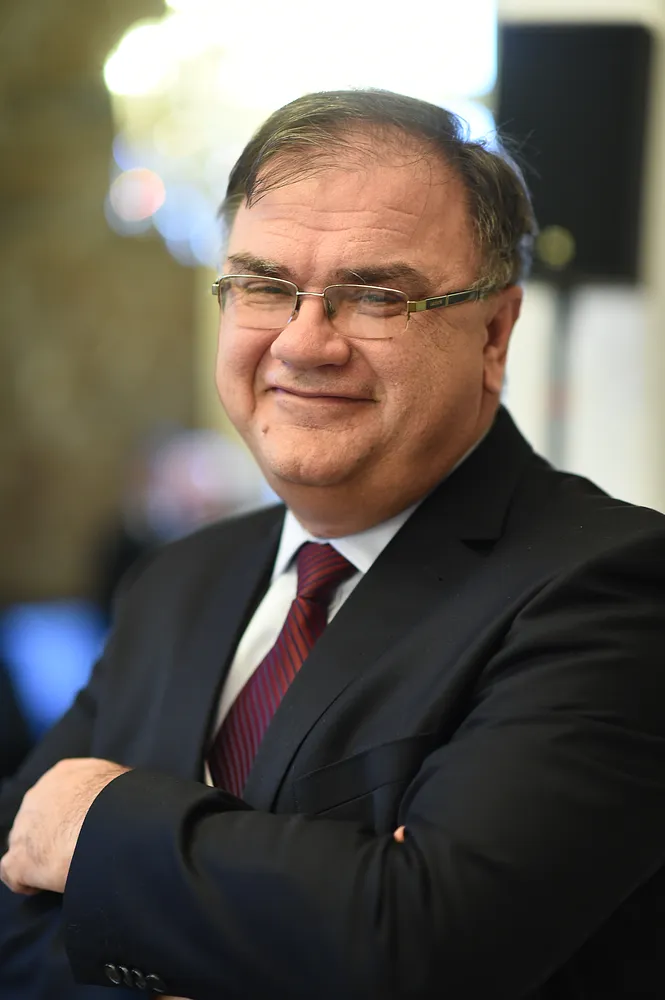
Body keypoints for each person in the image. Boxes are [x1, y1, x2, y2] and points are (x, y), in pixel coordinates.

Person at [1, 89, 665, 1000]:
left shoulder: (612, 586)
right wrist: (304, 906)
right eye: (263, 285)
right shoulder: (180, 578)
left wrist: (100, 828)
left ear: (494, 333)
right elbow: (13, 897)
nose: (304, 343)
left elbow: (426, 944)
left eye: (375, 296)